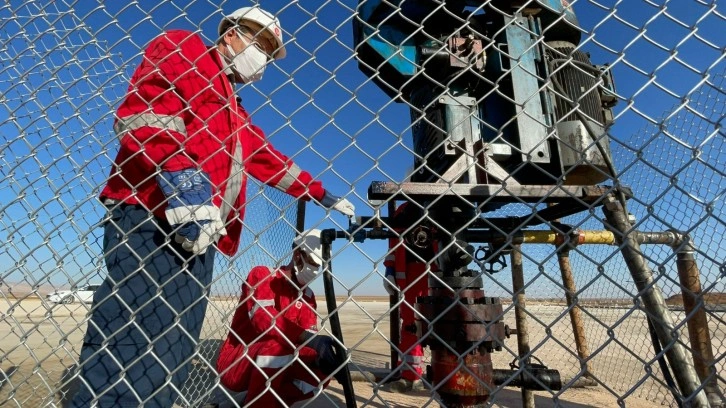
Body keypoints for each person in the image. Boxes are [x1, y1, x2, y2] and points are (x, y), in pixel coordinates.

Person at [70, 6, 354, 408]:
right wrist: (182, 182)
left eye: (271, 54)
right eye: (262, 45)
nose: (264, 59)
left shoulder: (235, 111)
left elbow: (269, 161)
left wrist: (318, 192)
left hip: (202, 234)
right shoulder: (185, 48)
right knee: (133, 337)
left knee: (174, 349)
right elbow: (146, 112)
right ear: (231, 34)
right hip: (152, 215)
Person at [216, 229, 342, 407]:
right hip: (237, 363)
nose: (314, 271)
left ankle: (260, 402)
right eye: (313, 263)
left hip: (280, 365)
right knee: (278, 345)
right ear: (298, 255)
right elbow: (263, 320)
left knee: (320, 371)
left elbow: (307, 338)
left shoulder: (307, 296)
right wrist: (307, 339)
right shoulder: (262, 275)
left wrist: (322, 356)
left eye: (318, 266)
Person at [383, 202, 436, 393]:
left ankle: (450, 372)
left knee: (448, 322)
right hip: (411, 273)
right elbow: (393, 240)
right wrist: (390, 268)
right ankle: (411, 376)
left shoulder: (444, 203)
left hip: (439, 272)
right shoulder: (403, 210)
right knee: (411, 323)